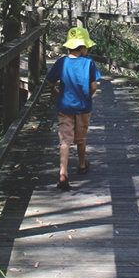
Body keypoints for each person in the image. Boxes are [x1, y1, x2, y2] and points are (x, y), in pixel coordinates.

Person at [46, 26, 101, 191]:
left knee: (65, 140)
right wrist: (87, 97)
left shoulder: (61, 62)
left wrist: (55, 92)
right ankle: (82, 164)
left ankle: (63, 173)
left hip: (65, 106)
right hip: (83, 107)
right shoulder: (89, 63)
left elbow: (50, 82)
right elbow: (94, 86)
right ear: (83, 47)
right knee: (81, 138)